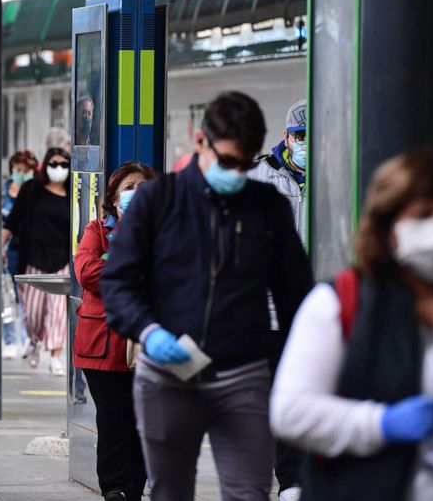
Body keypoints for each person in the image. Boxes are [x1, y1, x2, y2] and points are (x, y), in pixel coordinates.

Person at [100, 91, 314, 500]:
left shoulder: (266, 206)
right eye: (227, 161)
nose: (236, 173)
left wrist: (294, 359)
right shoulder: (156, 202)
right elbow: (118, 283)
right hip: (169, 374)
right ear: (201, 143)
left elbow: (294, 293)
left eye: (245, 161)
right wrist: (148, 331)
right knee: (171, 489)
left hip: (244, 374)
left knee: (249, 490)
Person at [271, 150, 433, 501]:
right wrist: (379, 423)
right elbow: (290, 412)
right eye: (424, 216)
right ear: (388, 226)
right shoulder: (340, 303)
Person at [75, 161, 155, 501]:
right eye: (128, 188)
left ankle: (134, 489)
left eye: (143, 187)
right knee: (113, 419)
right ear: (114, 196)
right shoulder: (97, 230)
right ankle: (114, 488)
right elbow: (86, 271)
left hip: (149, 345)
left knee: (142, 423)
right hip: (102, 347)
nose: (135, 194)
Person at [247, 98, 308, 501]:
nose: (304, 143)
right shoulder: (261, 178)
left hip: (320, 306)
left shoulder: (340, 170)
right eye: (298, 136)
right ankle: (286, 479)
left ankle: (301, 479)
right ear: (285, 137)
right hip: (270, 310)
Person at [2, 147, 71, 375]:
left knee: (58, 313)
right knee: (32, 313)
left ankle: (55, 357)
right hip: (33, 258)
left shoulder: (73, 194)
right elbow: (13, 220)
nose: (58, 169)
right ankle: (33, 342)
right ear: (45, 165)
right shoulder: (32, 190)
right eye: (54, 163)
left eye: (64, 164)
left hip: (62, 260)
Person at [249, 99, 307, 239]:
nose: (307, 143)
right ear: (286, 137)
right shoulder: (258, 173)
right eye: (300, 136)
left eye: (314, 135)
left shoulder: (335, 176)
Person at [1, 149, 39, 359]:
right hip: (6, 250)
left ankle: (27, 338)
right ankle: (9, 340)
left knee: (26, 296)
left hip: (26, 250)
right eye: (18, 169)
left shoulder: (35, 192)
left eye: (27, 169)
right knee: (6, 297)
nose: (22, 172)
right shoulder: (3, 191)